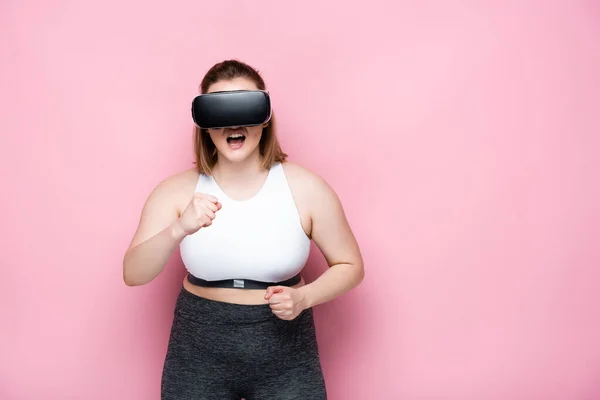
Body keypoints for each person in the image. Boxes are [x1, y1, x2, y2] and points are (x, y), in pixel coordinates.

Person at [122, 59, 364, 400]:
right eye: (220, 112)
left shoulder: (306, 188)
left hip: (286, 354)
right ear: (205, 125)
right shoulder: (176, 191)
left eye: (245, 107)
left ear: (264, 118)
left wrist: (304, 298)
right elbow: (133, 273)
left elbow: (351, 265)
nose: (233, 124)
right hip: (198, 353)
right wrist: (178, 228)